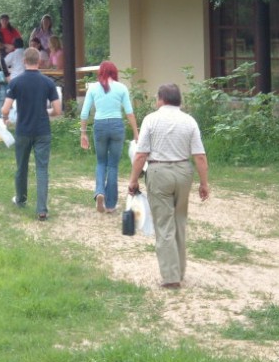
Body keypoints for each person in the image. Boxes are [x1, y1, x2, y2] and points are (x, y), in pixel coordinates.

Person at [128, 83, 209, 289]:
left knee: (164, 224)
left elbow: (141, 154)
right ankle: (180, 270)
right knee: (179, 220)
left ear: (161, 99)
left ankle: (171, 276)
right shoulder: (189, 121)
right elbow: (199, 156)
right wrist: (204, 183)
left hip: (159, 172)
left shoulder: (151, 120)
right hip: (183, 171)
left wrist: (133, 180)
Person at [1, 47, 61, 221]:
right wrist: (46, 112)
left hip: (23, 130)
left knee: (22, 167)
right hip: (43, 130)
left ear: (23, 61)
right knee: (42, 169)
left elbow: (5, 108)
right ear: (40, 62)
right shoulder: (48, 83)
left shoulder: (16, 82)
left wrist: (4, 116)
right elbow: (57, 110)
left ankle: (20, 199)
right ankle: (42, 209)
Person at [80, 61, 139, 213]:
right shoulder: (122, 88)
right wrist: (136, 132)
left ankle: (100, 191)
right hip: (117, 126)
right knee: (113, 165)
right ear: (115, 72)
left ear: (101, 72)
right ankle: (111, 205)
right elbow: (129, 112)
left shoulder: (93, 88)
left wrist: (83, 133)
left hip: (99, 126)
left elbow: (84, 112)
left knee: (101, 162)